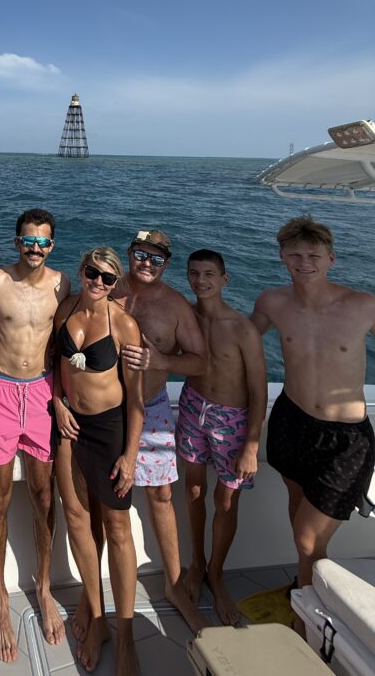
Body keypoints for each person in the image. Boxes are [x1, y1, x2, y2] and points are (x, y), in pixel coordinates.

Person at [250, 216, 375, 591]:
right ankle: (306, 590)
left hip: (347, 439)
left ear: (331, 259)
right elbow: (237, 340)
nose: (305, 262)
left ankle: (311, 618)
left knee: (308, 536)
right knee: (298, 509)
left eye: (314, 255)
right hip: (292, 420)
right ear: (283, 258)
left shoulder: (363, 305)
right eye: (296, 255)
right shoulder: (272, 302)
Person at [0, 208, 71, 663]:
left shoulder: (62, 284)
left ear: (52, 246)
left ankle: (45, 585)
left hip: (40, 394)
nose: (35, 249)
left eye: (44, 242)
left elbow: (65, 339)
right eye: (28, 241)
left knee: (44, 495)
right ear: (16, 241)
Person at [53, 247, 144, 675]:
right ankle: (97, 613)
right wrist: (58, 403)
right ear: (82, 271)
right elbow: (57, 364)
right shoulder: (67, 310)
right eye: (93, 273)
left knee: (117, 528)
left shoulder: (123, 325)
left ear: (115, 284)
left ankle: (124, 637)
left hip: (109, 430)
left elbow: (137, 401)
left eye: (108, 278)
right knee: (75, 516)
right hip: (71, 425)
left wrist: (130, 454)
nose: (99, 282)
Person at [119, 228, 209, 632]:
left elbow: (201, 362)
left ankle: (173, 584)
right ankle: (97, 589)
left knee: (160, 494)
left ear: (166, 264)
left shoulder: (175, 307)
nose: (147, 263)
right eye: (141, 254)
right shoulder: (108, 288)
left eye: (156, 258)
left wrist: (160, 361)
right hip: (104, 410)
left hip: (151, 408)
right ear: (130, 253)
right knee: (103, 498)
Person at [177, 249, 267, 624]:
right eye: (194, 273)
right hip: (191, 407)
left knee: (226, 502)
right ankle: (197, 564)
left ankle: (217, 573)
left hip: (231, 418)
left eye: (209, 273)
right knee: (194, 492)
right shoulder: (186, 317)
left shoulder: (241, 328)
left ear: (224, 279)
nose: (201, 280)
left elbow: (260, 389)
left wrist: (251, 445)